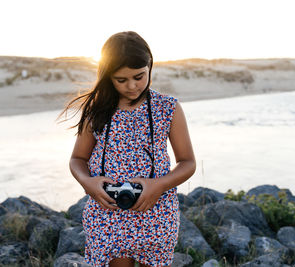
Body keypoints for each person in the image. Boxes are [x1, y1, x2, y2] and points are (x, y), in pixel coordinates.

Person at [57, 31, 196, 267]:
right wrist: (87, 182)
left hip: (156, 209)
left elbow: (188, 162)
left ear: (150, 66)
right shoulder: (97, 109)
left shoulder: (167, 108)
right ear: (107, 76)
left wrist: (159, 185)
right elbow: (77, 158)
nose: (132, 86)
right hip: (107, 212)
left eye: (139, 76)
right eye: (121, 80)